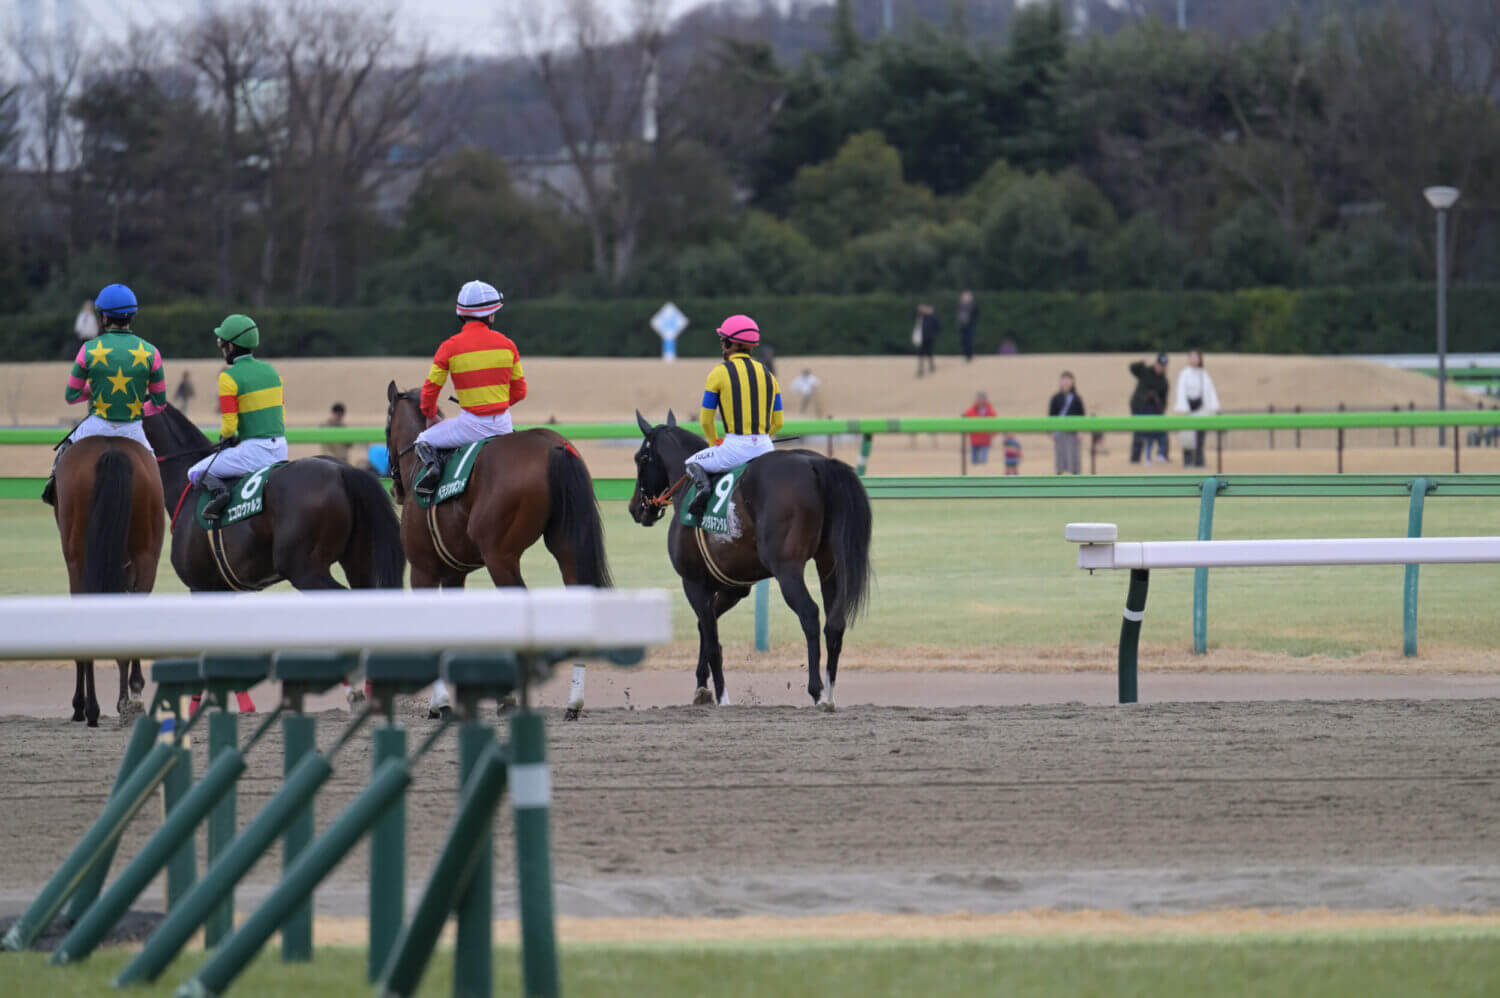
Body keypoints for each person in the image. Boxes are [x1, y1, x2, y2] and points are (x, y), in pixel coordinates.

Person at [43, 284, 167, 506]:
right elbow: (159, 403)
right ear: (132, 316)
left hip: (96, 425)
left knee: (63, 453)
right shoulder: (152, 352)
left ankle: (50, 487)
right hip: (133, 429)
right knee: (155, 474)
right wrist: (137, 409)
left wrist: (95, 389)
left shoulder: (88, 349)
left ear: (104, 317)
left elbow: (71, 395)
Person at [412, 280, 526, 499]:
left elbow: (429, 391)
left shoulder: (449, 347)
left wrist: (429, 415)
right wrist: (496, 402)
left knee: (422, 440)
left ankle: (434, 474)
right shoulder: (508, 344)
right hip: (504, 425)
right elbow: (520, 391)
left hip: (470, 426)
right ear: (491, 315)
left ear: (462, 314)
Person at [187, 314, 288, 519]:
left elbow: (229, 425)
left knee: (195, 472)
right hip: (281, 448)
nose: (221, 347)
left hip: (253, 452)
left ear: (231, 347)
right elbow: (280, 412)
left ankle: (220, 494)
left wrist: (225, 438)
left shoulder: (228, 377)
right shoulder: (271, 371)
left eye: (222, 343)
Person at [685, 314, 784, 520]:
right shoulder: (769, 375)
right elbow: (778, 422)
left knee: (691, 463)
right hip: (766, 448)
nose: (722, 345)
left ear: (732, 343)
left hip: (734, 449)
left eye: (723, 340)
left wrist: (714, 442)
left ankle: (703, 496)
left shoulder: (718, 373)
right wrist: (762, 437)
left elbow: (705, 420)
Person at [1174, 349, 1221, 468]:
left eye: (1196, 357)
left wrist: (1213, 407)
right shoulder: (1184, 374)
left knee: (1200, 436)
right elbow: (1181, 391)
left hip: (1201, 409)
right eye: (1192, 357)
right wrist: (1182, 407)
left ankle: (1199, 461)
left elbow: (1209, 391)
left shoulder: (1203, 374)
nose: (1194, 360)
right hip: (1188, 410)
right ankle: (1188, 461)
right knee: (1187, 437)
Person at [1128, 352, 1170, 464]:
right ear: (1156, 363)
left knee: (1161, 433)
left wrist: (1160, 409)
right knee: (1139, 433)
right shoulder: (1145, 371)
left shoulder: (1164, 382)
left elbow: (1164, 400)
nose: (1161, 368)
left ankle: (1162, 455)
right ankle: (1135, 459)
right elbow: (1132, 368)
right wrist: (1142, 362)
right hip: (1139, 407)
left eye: (1163, 366)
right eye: (1159, 365)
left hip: (1154, 410)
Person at [1048, 371, 1086, 475]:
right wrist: (1051, 431)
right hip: (1059, 432)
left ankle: (1075, 479)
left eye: (1068, 380)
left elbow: (1081, 416)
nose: (1065, 382)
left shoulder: (1077, 398)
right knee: (1060, 458)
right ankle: (1059, 478)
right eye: (1063, 380)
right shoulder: (1055, 398)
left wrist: (1080, 431)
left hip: (1073, 433)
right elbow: (1051, 415)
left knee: (1074, 457)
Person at [962, 390, 996, 465]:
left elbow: (995, 424)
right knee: (974, 463)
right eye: (979, 398)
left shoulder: (990, 411)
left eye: (982, 398)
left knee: (983, 463)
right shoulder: (971, 411)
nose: (980, 400)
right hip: (974, 440)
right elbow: (966, 421)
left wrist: (992, 434)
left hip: (985, 441)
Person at [914, 304, 939, 377]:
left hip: (930, 338)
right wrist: (919, 311)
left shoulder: (933, 317)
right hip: (922, 338)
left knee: (929, 352)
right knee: (920, 353)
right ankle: (920, 369)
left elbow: (938, 327)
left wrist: (934, 335)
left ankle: (931, 366)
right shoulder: (921, 317)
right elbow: (917, 318)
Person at [957, 290, 979, 362]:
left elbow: (975, 313)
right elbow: (959, 314)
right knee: (964, 341)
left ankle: (969, 355)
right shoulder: (961, 304)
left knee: (969, 340)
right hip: (963, 325)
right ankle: (966, 355)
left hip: (970, 325)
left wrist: (973, 322)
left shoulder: (973, 304)